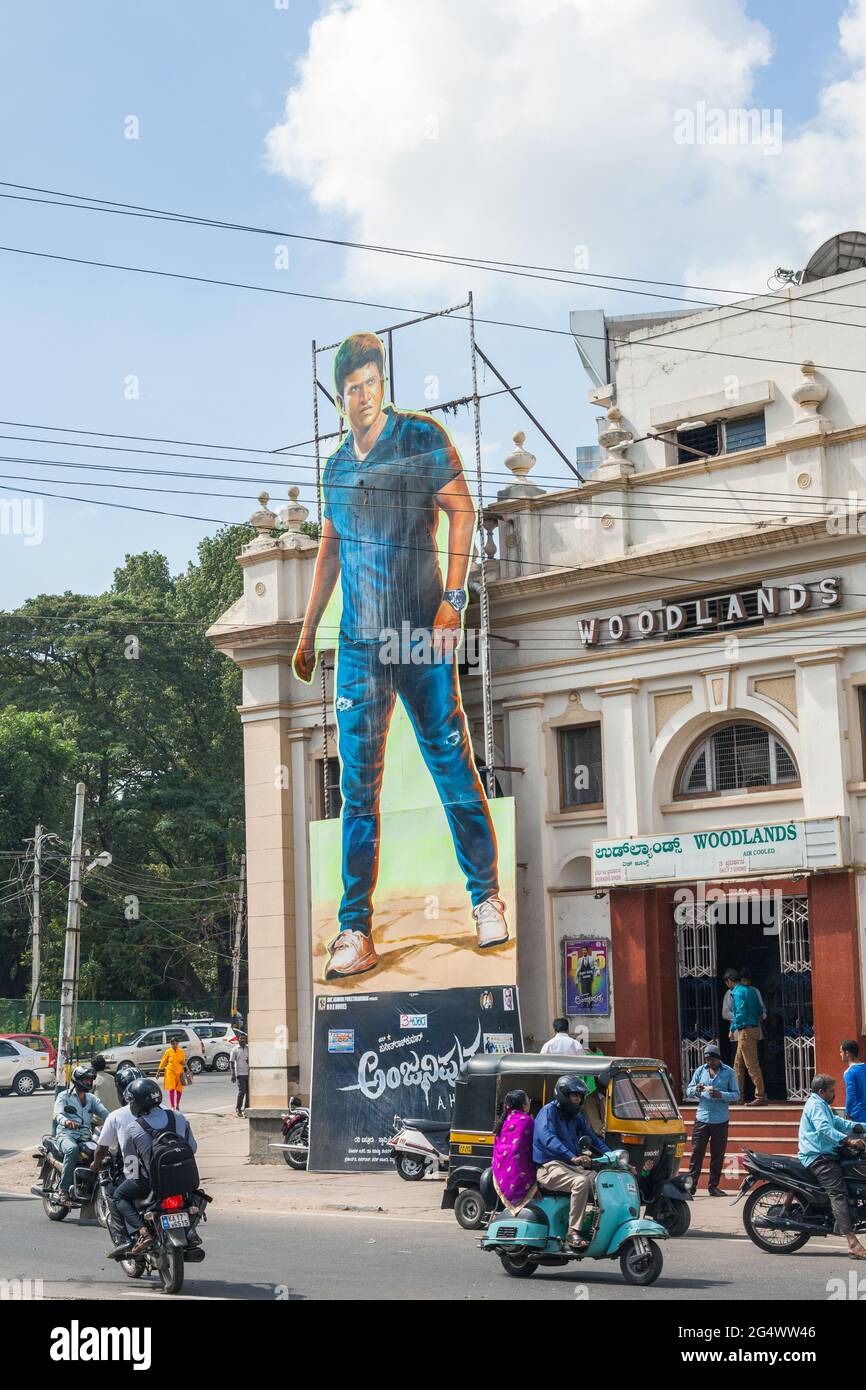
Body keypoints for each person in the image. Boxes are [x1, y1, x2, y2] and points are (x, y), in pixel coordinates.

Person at [292, 332, 507, 979]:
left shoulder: (419, 439)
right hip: (358, 645)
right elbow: (329, 548)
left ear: (382, 384)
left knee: (450, 764)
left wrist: (453, 596)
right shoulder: (336, 468)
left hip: (419, 635)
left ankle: (486, 899)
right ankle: (354, 931)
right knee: (357, 789)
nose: (361, 396)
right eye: (350, 388)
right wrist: (306, 635)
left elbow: (462, 511)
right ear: (339, 398)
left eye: (370, 384)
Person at [94, 1077, 198, 1259]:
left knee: (119, 1195)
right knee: (195, 1196)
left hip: (151, 1181)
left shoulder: (135, 1127)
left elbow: (131, 1160)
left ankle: (143, 1232)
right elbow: (193, 1148)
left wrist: (132, 1177)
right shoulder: (178, 1116)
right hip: (184, 1177)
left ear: (137, 1103)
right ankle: (191, 1231)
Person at [532, 1075, 610, 1250]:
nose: (578, 1099)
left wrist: (614, 1157)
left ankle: (594, 1224)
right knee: (580, 1183)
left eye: (580, 1096)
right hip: (549, 1166)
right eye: (574, 1095)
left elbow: (593, 1139)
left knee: (600, 1180)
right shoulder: (548, 1111)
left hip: (570, 1166)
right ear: (563, 1095)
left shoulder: (576, 1116)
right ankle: (572, 1232)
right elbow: (548, 1138)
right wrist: (572, 1156)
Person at [798, 1074, 866, 1259]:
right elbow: (824, 1129)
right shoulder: (816, 1106)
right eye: (831, 1091)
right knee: (839, 1193)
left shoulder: (823, 1105)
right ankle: (852, 1243)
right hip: (818, 1157)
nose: (834, 1093)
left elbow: (839, 1123)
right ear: (822, 1091)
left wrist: (862, 1127)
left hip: (826, 1153)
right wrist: (849, 1141)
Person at [685, 1043, 740, 1195]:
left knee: (717, 1154)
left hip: (720, 1120)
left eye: (712, 1060)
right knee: (696, 1153)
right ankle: (691, 1186)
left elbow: (736, 1094)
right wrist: (696, 1090)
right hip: (702, 1118)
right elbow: (689, 1089)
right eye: (707, 1060)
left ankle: (713, 1186)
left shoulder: (729, 1072)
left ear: (718, 1059)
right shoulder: (700, 1071)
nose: (710, 1063)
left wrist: (721, 1094)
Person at [52, 1064, 108, 1206]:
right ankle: (63, 1190)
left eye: (90, 1080)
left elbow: (105, 1113)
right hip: (66, 1135)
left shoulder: (91, 1099)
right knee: (72, 1149)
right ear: (77, 1080)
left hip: (85, 1137)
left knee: (101, 1153)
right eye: (86, 1080)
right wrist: (66, 1121)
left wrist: (117, 1121)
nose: (89, 1082)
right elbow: (57, 1114)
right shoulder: (64, 1096)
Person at [723, 968, 767, 1106]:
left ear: (729, 981)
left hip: (745, 1031)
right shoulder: (751, 990)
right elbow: (760, 1010)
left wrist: (732, 1029)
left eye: (727, 983)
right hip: (752, 1029)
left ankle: (760, 1096)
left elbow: (740, 1013)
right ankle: (738, 1096)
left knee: (751, 1065)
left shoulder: (737, 992)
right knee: (738, 1065)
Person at [491, 1089, 537, 1214]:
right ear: (523, 1105)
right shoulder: (527, 1121)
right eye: (528, 1100)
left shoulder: (504, 1121)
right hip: (520, 1175)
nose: (530, 1102)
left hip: (500, 1174)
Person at [157, 1034, 189, 1109]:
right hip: (170, 1071)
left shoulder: (181, 1051)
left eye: (176, 1043)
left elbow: (183, 1062)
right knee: (172, 1088)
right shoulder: (168, 1051)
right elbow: (163, 1061)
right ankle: (172, 1106)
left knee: (179, 1090)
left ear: (178, 1044)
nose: (174, 1045)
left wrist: (185, 1065)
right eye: (173, 1044)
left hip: (179, 1072)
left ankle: (177, 1104)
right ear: (171, 1044)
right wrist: (158, 1071)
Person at [841, 1040, 866, 1123]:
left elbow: (850, 1096)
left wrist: (848, 1113)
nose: (840, 1054)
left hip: (858, 1115)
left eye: (841, 1052)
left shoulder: (849, 1073)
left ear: (847, 1053)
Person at [230, 1030, 250, 1117]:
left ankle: (246, 1109)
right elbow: (231, 1062)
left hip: (249, 1074)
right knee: (242, 1091)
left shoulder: (249, 1048)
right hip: (240, 1074)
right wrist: (233, 1074)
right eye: (241, 1038)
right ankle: (238, 1108)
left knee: (249, 1093)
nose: (243, 1040)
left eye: (244, 1039)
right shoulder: (235, 1049)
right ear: (238, 1039)